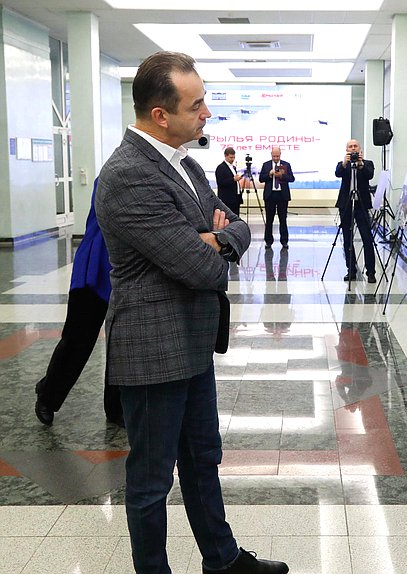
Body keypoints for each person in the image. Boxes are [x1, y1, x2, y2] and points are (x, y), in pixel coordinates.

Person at [95, 51, 288, 574]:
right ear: (161, 115)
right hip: (153, 348)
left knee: (203, 458)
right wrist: (211, 243)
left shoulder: (187, 164)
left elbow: (235, 224)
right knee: (152, 479)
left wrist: (215, 238)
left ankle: (222, 561)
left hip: (193, 340)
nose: (207, 113)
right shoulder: (128, 174)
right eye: (196, 104)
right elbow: (201, 269)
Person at [34, 178, 123, 428]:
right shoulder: (112, 175)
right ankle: (48, 395)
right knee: (78, 340)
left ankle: (116, 407)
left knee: (120, 343)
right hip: (95, 267)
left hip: (127, 270)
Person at [335, 139, 376, 282]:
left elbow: (369, 175)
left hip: (362, 205)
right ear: (347, 150)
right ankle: (351, 270)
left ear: (360, 149)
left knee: (367, 238)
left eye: (355, 146)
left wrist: (361, 165)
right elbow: (338, 173)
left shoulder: (367, 164)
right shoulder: (342, 164)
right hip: (346, 204)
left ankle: (371, 272)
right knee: (347, 238)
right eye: (350, 147)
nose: (353, 149)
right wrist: (345, 163)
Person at [258, 146, 295, 249]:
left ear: (280, 155)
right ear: (271, 155)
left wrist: (282, 175)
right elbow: (261, 179)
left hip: (282, 196)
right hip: (270, 195)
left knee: (283, 219)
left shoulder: (286, 164)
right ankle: (268, 241)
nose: (275, 158)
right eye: (274, 156)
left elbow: (292, 178)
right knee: (269, 219)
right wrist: (269, 174)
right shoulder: (266, 165)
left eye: (277, 156)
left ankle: (284, 241)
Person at [215, 146, 243, 215]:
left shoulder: (233, 167)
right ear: (225, 156)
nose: (232, 159)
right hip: (227, 199)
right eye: (231, 157)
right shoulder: (221, 168)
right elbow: (220, 182)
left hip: (235, 198)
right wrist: (233, 179)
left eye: (234, 157)